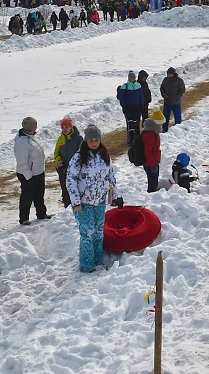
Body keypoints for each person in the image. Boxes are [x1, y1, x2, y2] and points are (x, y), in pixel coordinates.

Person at [66, 126, 121, 273]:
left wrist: (115, 196)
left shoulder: (104, 155)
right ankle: (86, 264)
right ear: (86, 140)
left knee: (98, 232)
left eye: (97, 140)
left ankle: (98, 261)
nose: (94, 143)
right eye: (91, 140)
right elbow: (70, 180)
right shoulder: (78, 158)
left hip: (100, 202)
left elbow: (111, 177)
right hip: (84, 203)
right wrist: (76, 202)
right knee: (87, 234)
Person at [14, 116, 50, 225]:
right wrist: (28, 176)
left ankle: (41, 214)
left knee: (39, 194)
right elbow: (22, 162)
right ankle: (24, 219)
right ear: (30, 128)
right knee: (27, 196)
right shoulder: (21, 142)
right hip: (27, 174)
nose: (37, 127)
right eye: (35, 125)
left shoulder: (32, 137)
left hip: (38, 172)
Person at [53, 116, 82, 207]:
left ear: (71, 127)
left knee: (75, 188)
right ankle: (67, 207)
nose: (64, 130)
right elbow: (56, 153)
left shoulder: (78, 138)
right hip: (63, 169)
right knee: (65, 189)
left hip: (75, 170)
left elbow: (82, 153)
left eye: (66, 127)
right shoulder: (60, 139)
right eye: (62, 128)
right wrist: (58, 160)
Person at [116, 71, 146, 140]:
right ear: (129, 78)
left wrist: (142, 106)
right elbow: (121, 98)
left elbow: (141, 97)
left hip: (137, 108)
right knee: (130, 124)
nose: (132, 78)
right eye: (131, 77)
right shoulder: (125, 86)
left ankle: (137, 139)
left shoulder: (138, 85)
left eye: (133, 77)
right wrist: (124, 106)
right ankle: (131, 139)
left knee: (136, 123)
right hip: (128, 108)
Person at [140, 115, 163, 192]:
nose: (161, 125)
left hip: (154, 162)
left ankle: (153, 195)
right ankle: (151, 197)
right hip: (150, 163)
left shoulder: (154, 132)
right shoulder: (150, 134)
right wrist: (152, 164)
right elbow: (147, 151)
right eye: (160, 123)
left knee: (154, 181)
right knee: (152, 183)